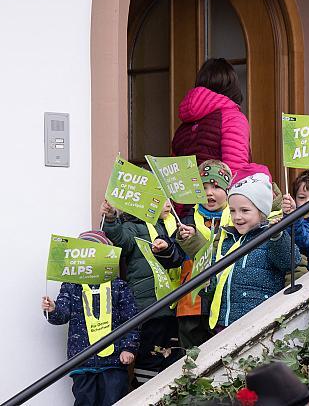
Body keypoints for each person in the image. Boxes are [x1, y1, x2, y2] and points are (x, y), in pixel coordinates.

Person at [154, 173, 300, 331]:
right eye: (232, 211)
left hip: (260, 322)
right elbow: (216, 283)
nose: (237, 217)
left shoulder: (272, 236)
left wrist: (278, 236)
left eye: (245, 210)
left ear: (262, 211)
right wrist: (206, 285)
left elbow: (289, 261)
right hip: (224, 322)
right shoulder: (227, 239)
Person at [42, 231, 139, 406]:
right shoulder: (71, 285)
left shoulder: (118, 286)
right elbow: (62, 314)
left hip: (114, 361)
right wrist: (53, 308)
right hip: (82, 361)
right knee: (84, 401)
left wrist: (129, 348)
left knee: (114, 400)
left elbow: (131, 320)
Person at [100, 200, 180, 387]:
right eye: (160, 200)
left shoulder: (166, 225)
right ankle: (143, 392)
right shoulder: (133, 226)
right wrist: (111, 219)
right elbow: (121, 239)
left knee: (170, 356)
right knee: (149, 356)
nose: (168, 204)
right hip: (149, 305)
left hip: (171, 304)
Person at [163, 160, 233, 348]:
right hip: (191, 301)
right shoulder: (185, 220)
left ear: (228, 190)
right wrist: (165, 248)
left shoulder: (236, 219)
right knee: (191, 354)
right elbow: (175, 258)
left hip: (223, 297)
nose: (209, 192)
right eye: (204, 187)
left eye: (216, 187)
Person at [172, 58, 251, 178]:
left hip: (185, 195)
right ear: (232, 87)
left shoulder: (183, 126)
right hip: (217, 195)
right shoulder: (231, 118)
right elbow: (236, 171)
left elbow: (173, 172)